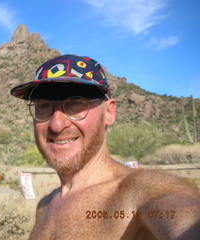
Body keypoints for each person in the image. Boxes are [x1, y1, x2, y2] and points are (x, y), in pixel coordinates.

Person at [10, 54, 200, 240]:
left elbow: (182, 214)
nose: (56, 125)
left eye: (75, 104)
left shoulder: (141, 192)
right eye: (43, 106)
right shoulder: (45, 206)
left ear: (109, 112)